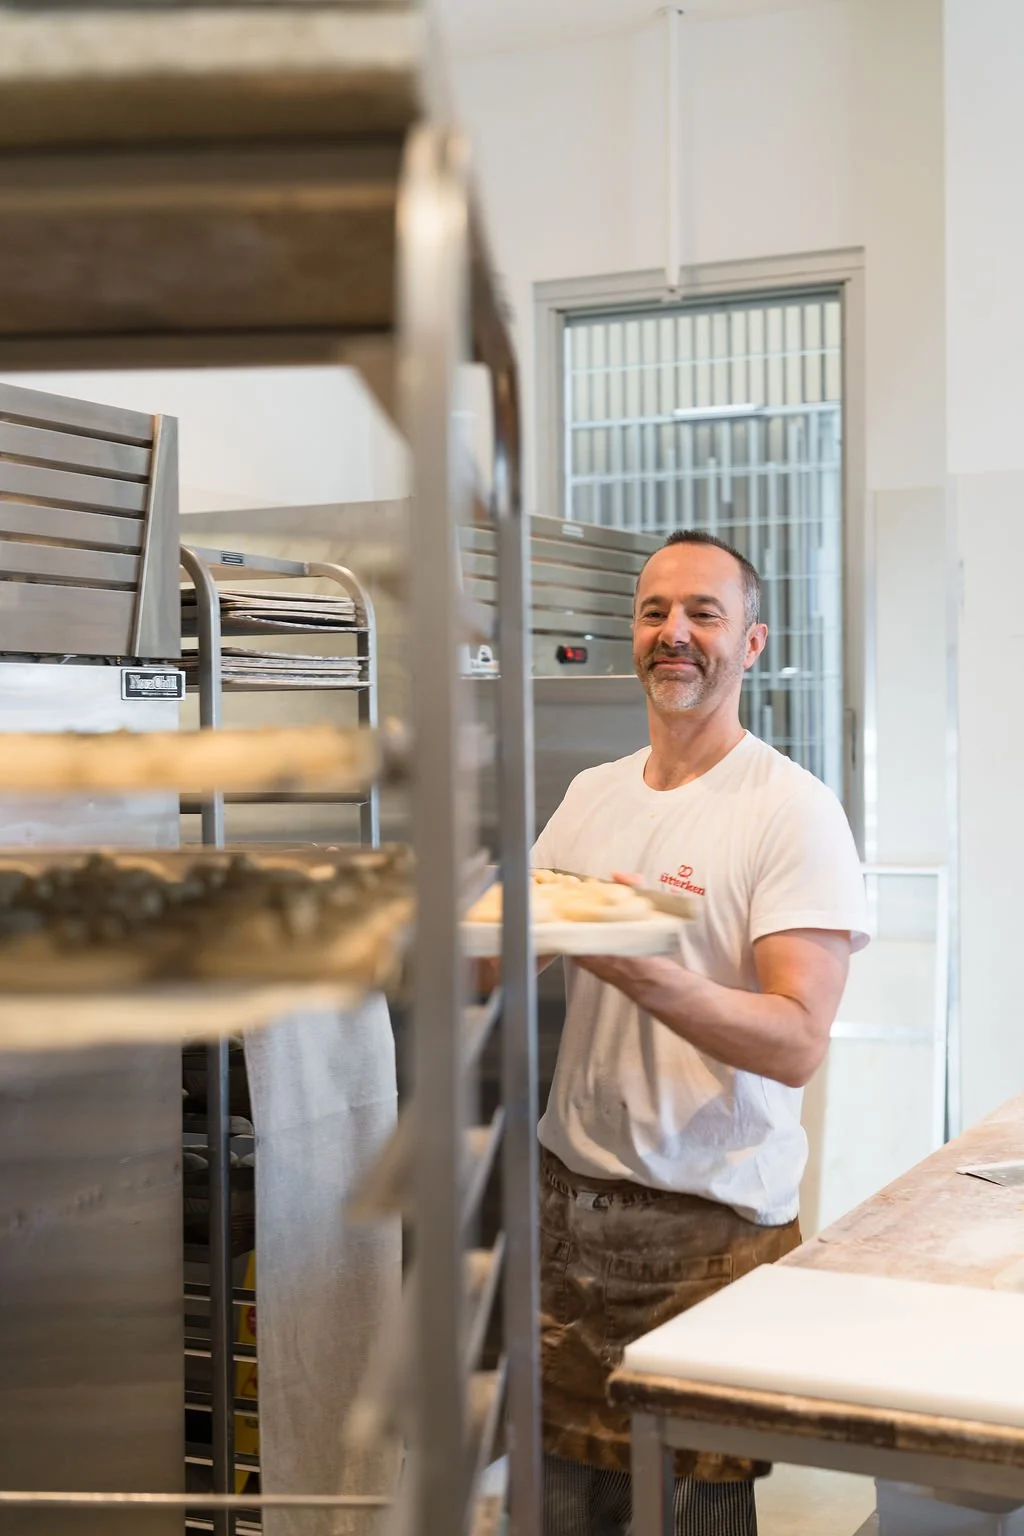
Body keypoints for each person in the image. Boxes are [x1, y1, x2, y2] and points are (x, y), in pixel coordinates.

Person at [533, 529, 868, 1536]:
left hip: (704, 1246)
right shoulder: (591, 795)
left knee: (686, 1519)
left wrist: (640, 965)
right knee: (552, 1513)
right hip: (566, 1224)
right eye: (652, 613)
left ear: (751, 643)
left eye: (702, 615)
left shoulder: (790, 813)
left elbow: (795, 1038)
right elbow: (493, 963)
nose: (672, 635)